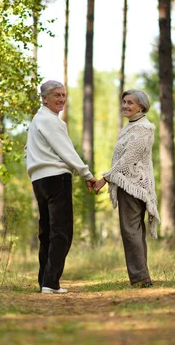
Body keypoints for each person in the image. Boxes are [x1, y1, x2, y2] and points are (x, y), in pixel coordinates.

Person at [26, 80, 96, 294]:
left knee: (47, 231)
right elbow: (66, 150)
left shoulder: (37, 120)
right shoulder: (51, 121)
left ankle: (44, 281)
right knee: (62, 232)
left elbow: (28, 151)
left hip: (39, 181)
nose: (62, 99)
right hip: (56, 179)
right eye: (57, 95)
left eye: (64, 95)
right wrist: (86, 173)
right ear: (44, 98)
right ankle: (50, 282)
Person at [93, 90, 160, 287]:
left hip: (132, 186)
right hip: (129, 184)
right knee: (135, 231)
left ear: (141, 105)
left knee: (130, 230)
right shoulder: (132, 127)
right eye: (124, 102)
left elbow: (127, 159)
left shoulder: (143, 129)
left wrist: (104, 178)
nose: (126, 106)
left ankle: (141, 277)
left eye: (130, 102)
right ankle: (142, 275)